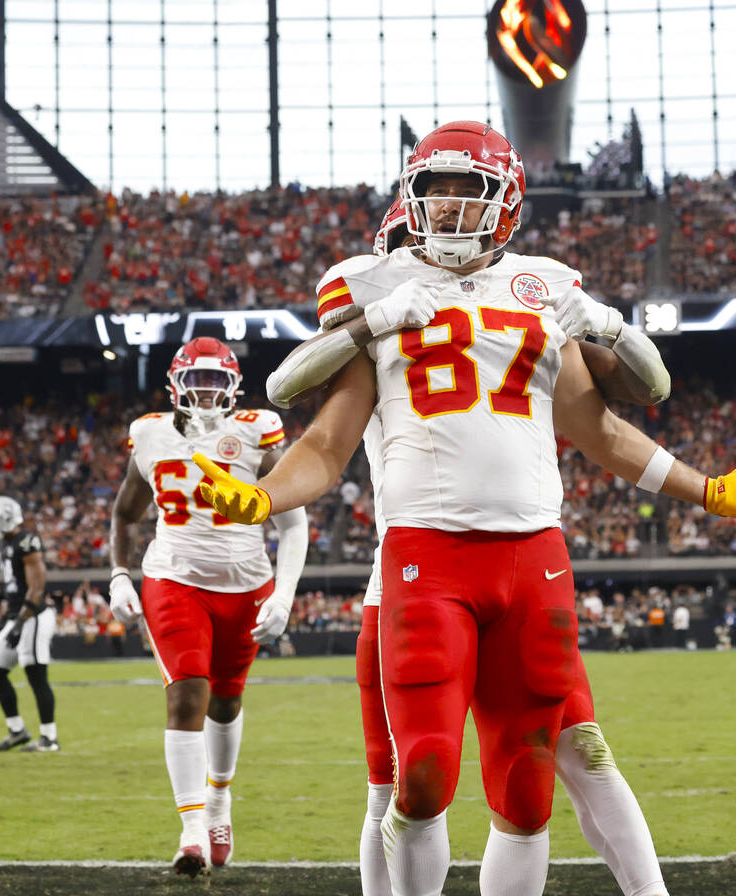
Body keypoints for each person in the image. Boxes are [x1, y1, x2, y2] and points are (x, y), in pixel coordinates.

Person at [197, 121, 736, 896]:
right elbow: (324, 443)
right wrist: (261, 494)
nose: (448, 206)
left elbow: (601, 430)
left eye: (467, 188)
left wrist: (708, 489)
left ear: (507, 199)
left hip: (534, 559)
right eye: (434, 189)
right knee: (420, 779)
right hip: (427, 556)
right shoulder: (372, 286)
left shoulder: (545, 283)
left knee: (527, 792)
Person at [273, 196, 681, 896]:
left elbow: (620, 411)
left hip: (523, 559)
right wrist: (375, 316)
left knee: (568, 759)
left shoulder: (523, 293)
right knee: (403, 782)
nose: (433, 247)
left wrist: (607, 329)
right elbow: (298, 401)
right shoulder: (377, 305)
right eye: (412, 236)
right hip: (412, 567)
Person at [108, 336, 308, 878]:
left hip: (246, 583)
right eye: (194, 382)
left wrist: (285, 593)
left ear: (233, 387)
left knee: (225, 701)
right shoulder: (149, 434)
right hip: (174, 579)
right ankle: (192, 830)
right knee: (186, 696)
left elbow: (292, 520)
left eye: (214, 382)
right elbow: (126, 513)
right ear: (175, 385)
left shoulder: (255, 429)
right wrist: (120, 575)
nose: (203, 393)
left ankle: (219, 800)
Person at [0, 495, 59, 754]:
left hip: (34, 616)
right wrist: (7, 621)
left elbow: (36, 589)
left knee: (36, 675)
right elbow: (14, 590)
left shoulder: (26, 542)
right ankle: (17, 731)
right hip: (17, 617)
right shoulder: (7, 545)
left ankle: (49, 737)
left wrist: (18, 624)